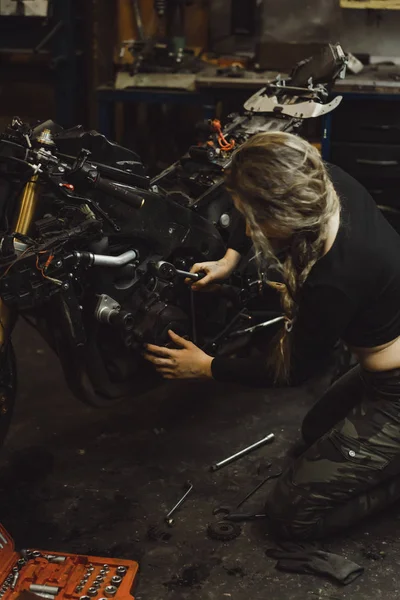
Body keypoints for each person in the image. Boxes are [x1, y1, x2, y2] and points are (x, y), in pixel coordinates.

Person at [143, 131, 400, 541]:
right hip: (381, 364)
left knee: (293, 514)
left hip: (395, 388)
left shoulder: (333, 280)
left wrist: (208, 367)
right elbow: (252, 197)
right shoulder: (322, 179)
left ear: (279, 217)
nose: (245, 224)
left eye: (251, 220)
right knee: (314, 433)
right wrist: (230, 259)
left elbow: (294, 371)